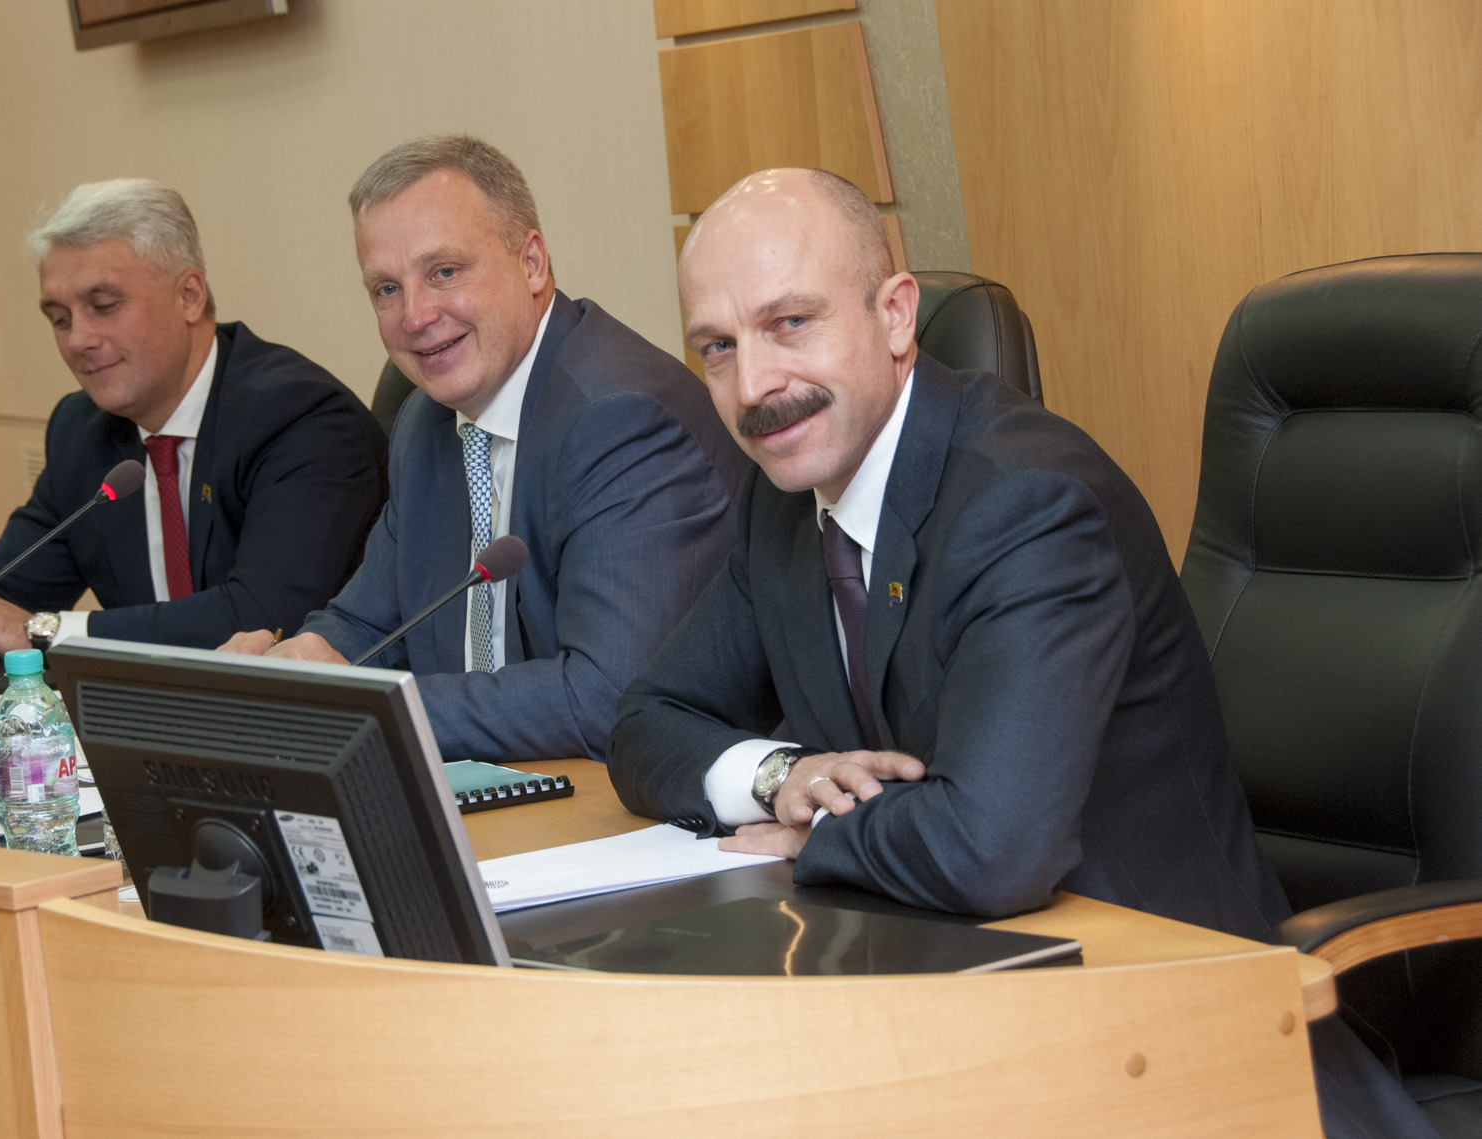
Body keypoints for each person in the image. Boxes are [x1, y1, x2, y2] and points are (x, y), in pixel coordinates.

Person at [608, 167, 1439, 1139]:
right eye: (716, 346)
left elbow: (991, 847)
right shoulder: (788, 497)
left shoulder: (1025, 502)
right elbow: (646, 722)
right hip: (949, 998)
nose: (753, 386)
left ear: (894, 315)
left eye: (789, 323)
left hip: (1176, 1032)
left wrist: (817, 830)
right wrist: (779, 776)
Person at [221, 136, 748, 763]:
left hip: (630, 798)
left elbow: (606, 698)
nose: (415, 317)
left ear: (532, 263)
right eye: (386, 289)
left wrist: (367, 707)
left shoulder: (619, 418)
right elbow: (366, 625)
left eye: (444, 272)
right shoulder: (425, 422)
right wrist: (289, 671)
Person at [0, 179, 387, 673]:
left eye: (103, 307)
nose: (78, 339)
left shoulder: (302, 418)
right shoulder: (81, 430)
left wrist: (48, 632)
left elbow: (262, 617)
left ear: (189, 296)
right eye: (60, 318)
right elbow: (8, 585)